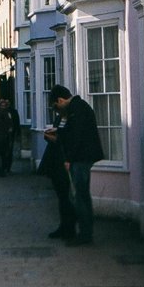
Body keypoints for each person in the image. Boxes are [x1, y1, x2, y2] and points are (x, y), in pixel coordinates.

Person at [43, 85, 105, 245]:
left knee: (80, 196)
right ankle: (76, 230)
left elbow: (76, 138)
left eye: (56, 107)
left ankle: (85, 235)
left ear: (61, 100)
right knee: (78, 195)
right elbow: (69, 134)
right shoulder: (72, 109)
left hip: (81, 158)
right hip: (79, 157)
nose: (56, 111)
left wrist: (68, 159)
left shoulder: (77, 109)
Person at [0, 97, 20, 177]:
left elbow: (11, 123)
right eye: (1, 106)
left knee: (4, 154)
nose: (3, 107)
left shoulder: (8, 114)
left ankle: (3, 169)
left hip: (5, 137)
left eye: (4, 106)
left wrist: (11, 129)